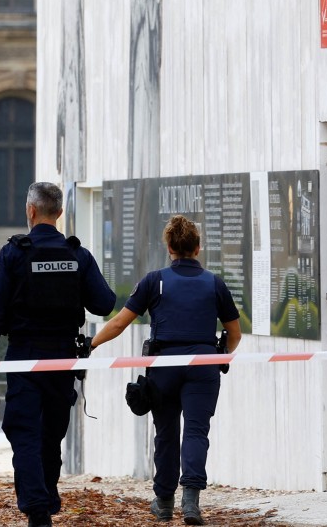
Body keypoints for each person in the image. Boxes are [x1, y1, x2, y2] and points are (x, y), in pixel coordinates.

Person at [0, 181, 116, 527]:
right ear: (60, 213)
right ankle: (47, 498)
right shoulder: (76, 254)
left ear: (30, 211)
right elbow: (105, 303)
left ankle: (38, 509)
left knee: (24, 432)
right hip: (64, 357)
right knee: (52, 433)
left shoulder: (14, 252)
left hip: (25, 356)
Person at [90, 215, 241, 525]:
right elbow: (234, 333)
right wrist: (221, 354)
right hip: (204, 365)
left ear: (169, 247)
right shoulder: (215, 283)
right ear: (198, 248)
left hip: (164, 366)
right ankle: (191, 503)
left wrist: (90, 345)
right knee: (197, 432)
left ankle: (163, 502)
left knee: (167, 434)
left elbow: (119, 323)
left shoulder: (154, 280)